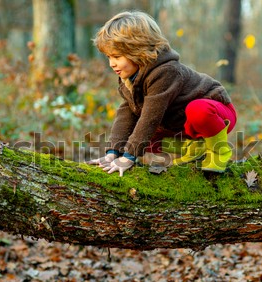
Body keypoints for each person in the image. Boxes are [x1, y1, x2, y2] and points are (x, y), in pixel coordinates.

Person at [88, 11, 237, 177]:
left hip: (217, 114)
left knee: (197, 110)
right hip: (183, 125)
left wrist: (129, 157)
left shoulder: (166, 72)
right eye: (108, 57)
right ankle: (194, 147)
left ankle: (218, 151)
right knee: (140, 140)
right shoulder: (128, 78)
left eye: (116, 56)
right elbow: (126, 114)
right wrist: (113, 153)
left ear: (138, 50)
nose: (111, 63)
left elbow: (151, 116)